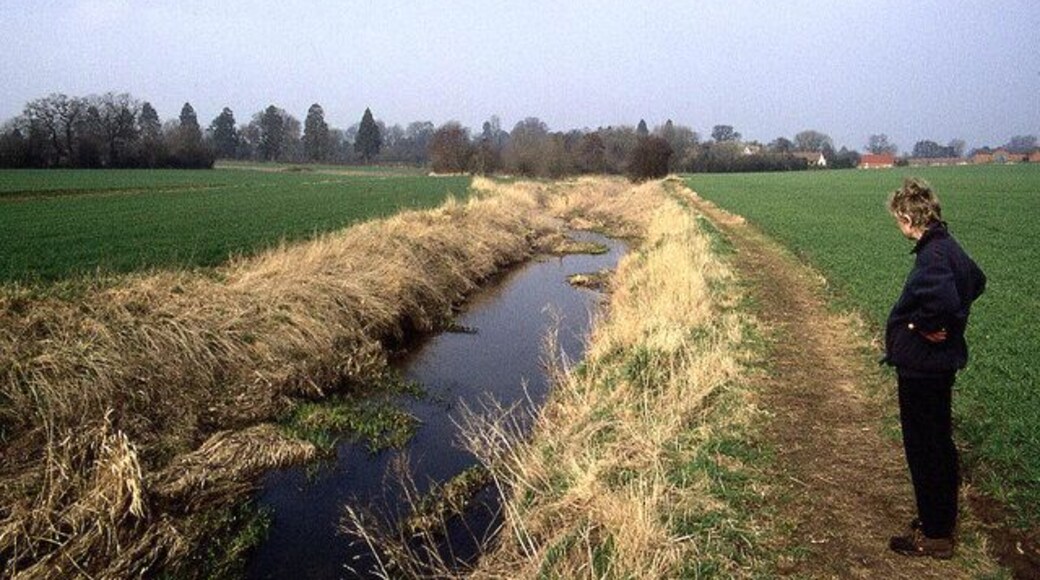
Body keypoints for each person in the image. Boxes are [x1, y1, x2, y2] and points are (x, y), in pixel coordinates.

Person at [882, 177, 986, 559]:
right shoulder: (947, 245)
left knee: (924, 448)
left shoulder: (934, 255)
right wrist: (952, 319)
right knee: (938, 443)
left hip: (923, 368)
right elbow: (977, 280)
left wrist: (925, 326)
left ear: (910, 218)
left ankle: (936, 534)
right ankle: (936, 520)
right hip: (936, 366)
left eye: (899, 218)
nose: (899, 226)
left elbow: (941, 299)